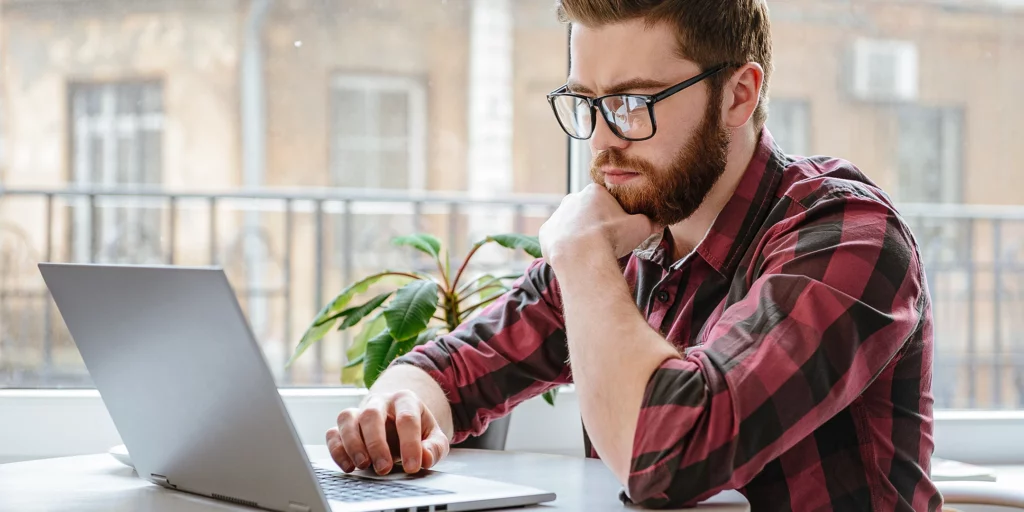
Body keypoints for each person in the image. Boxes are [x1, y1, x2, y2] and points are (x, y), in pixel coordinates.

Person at [325, 0, 939, 509]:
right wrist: (394, 413)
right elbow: (450, 369)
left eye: (633, 103)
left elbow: (669, 456)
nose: (602, 139)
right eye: (586, 103)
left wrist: (581, 256)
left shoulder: (848, 235)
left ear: (738, 95)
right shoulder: (632, 229)